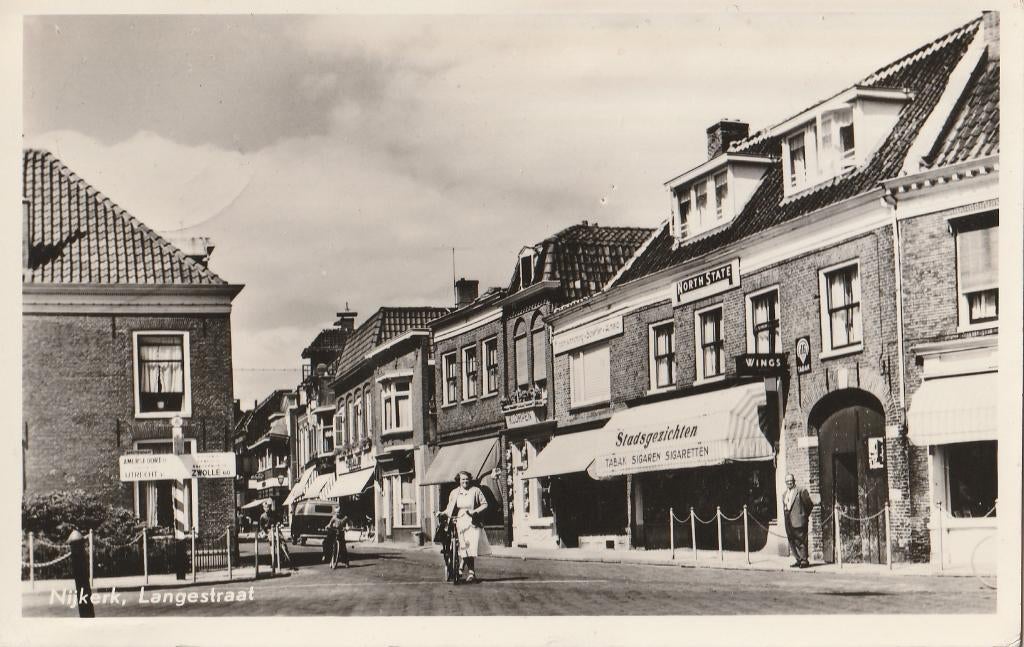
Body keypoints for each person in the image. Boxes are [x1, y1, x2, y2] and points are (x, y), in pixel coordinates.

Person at [443, 470, 491, 583]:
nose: (465, 481)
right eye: (462, 479)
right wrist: (442, 513)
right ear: (459, 481)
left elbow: (485, 504)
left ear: (470, 479)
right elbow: (449, 508)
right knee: (463, 545)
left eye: (466, 479)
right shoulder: (454, 492)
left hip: (472, 521)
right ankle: (465, 569)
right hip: (460, 520)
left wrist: (475, 511)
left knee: (470, 547)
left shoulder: (476, 490)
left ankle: (471, 572)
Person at [782, 473, 814, 568]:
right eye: (787, 481)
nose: (789, 482)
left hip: (799, 520)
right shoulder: (784, 494)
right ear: (785, 482)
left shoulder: (801, 490)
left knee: (801, 541)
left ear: (794, 481)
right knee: (791, 540)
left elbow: (809, 505)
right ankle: (798, 559)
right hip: (788, 521)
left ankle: (804, 560)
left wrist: (803, 516)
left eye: (791, 480)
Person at [260, 501, 296, 571]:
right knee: (272, 548)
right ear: (263, 508)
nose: (267, 508)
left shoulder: (274, 513)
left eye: (268, 507)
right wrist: (266, 531)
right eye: (266, 507)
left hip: (276, 530)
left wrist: (279, 524)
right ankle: (274, 563)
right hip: (269, 532)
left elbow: (279, 520)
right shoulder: (262, 516)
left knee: (283, 545)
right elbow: (261, 527)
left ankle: (286, 560)